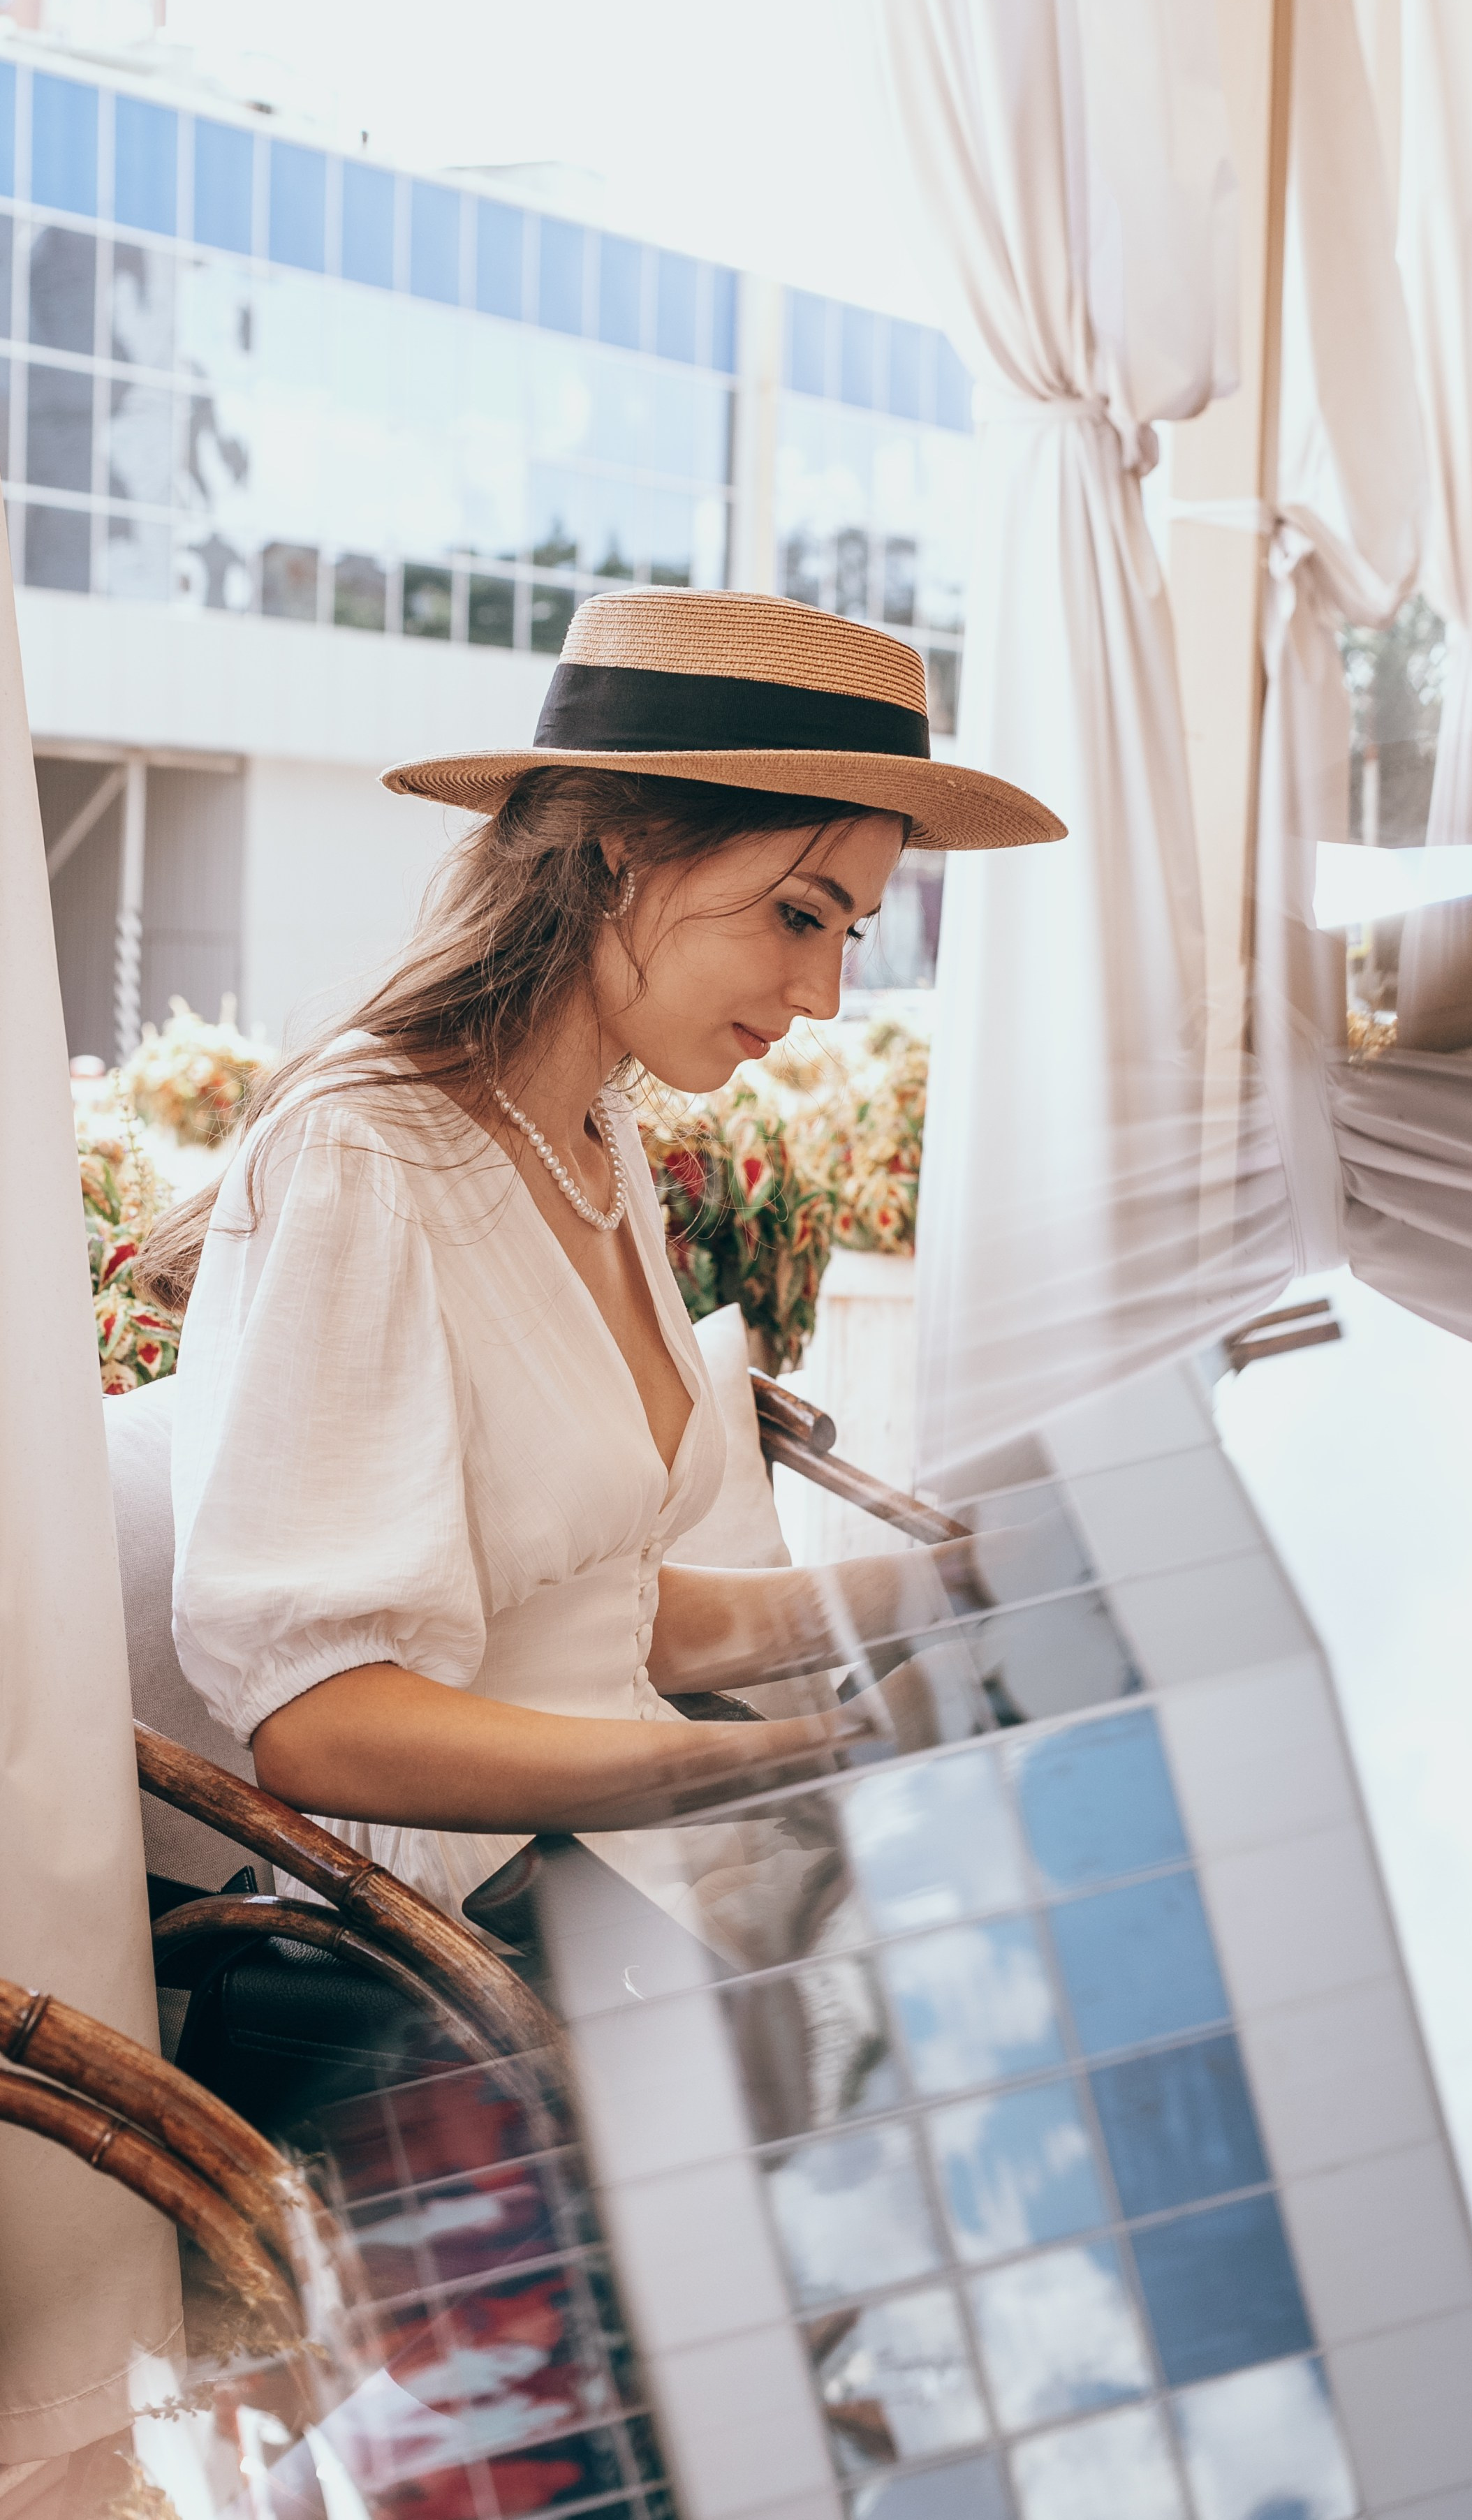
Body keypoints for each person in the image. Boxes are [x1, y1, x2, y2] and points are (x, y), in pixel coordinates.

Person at [139, 589, 1063, 1923]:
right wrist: (789, 1759)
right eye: (801, 916)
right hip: (490, 1943)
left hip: (647, 1872)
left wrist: (958, 1576)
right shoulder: (363, 1154)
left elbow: (595, 1611)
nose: (826, 997)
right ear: (625, 849)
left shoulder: (591, 1129)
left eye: (849, 932)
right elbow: (320, 1722)